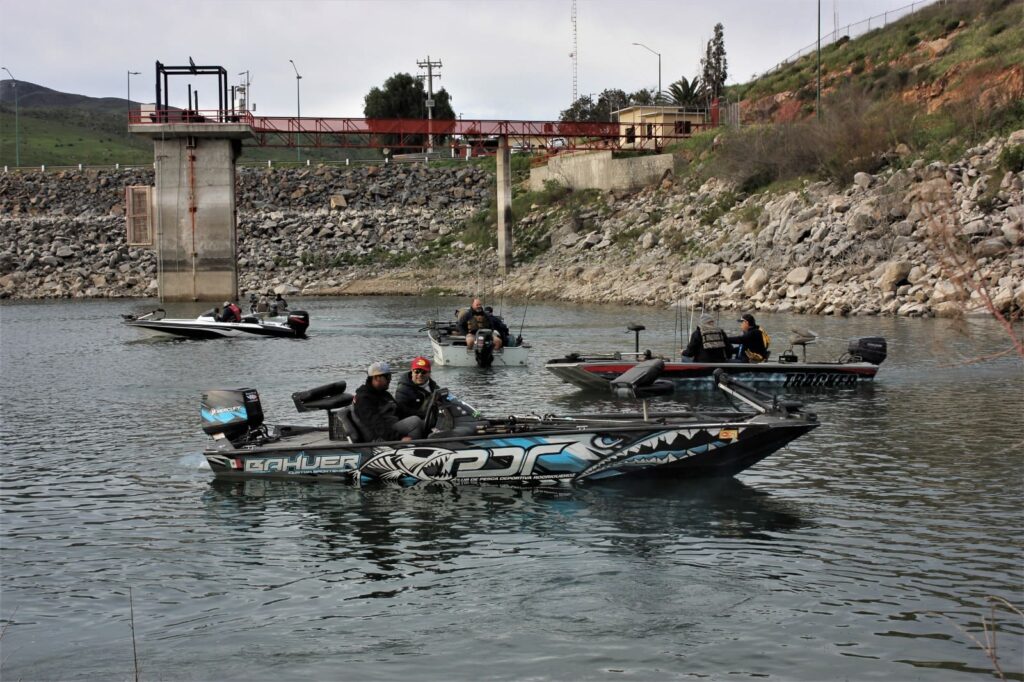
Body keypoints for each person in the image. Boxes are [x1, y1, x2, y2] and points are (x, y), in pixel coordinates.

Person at [353, 361, 424, 442]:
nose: (390, 380)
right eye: (388, 377)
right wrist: (399, 438)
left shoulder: (383, 393)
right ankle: (414, 448)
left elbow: (401, 410)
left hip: (389, 428)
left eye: (390, 376)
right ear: (376, 378)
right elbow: (376, 425)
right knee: (415, 422)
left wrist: (423, 414)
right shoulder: (364, 399)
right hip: (379, 437)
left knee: (421, 421)